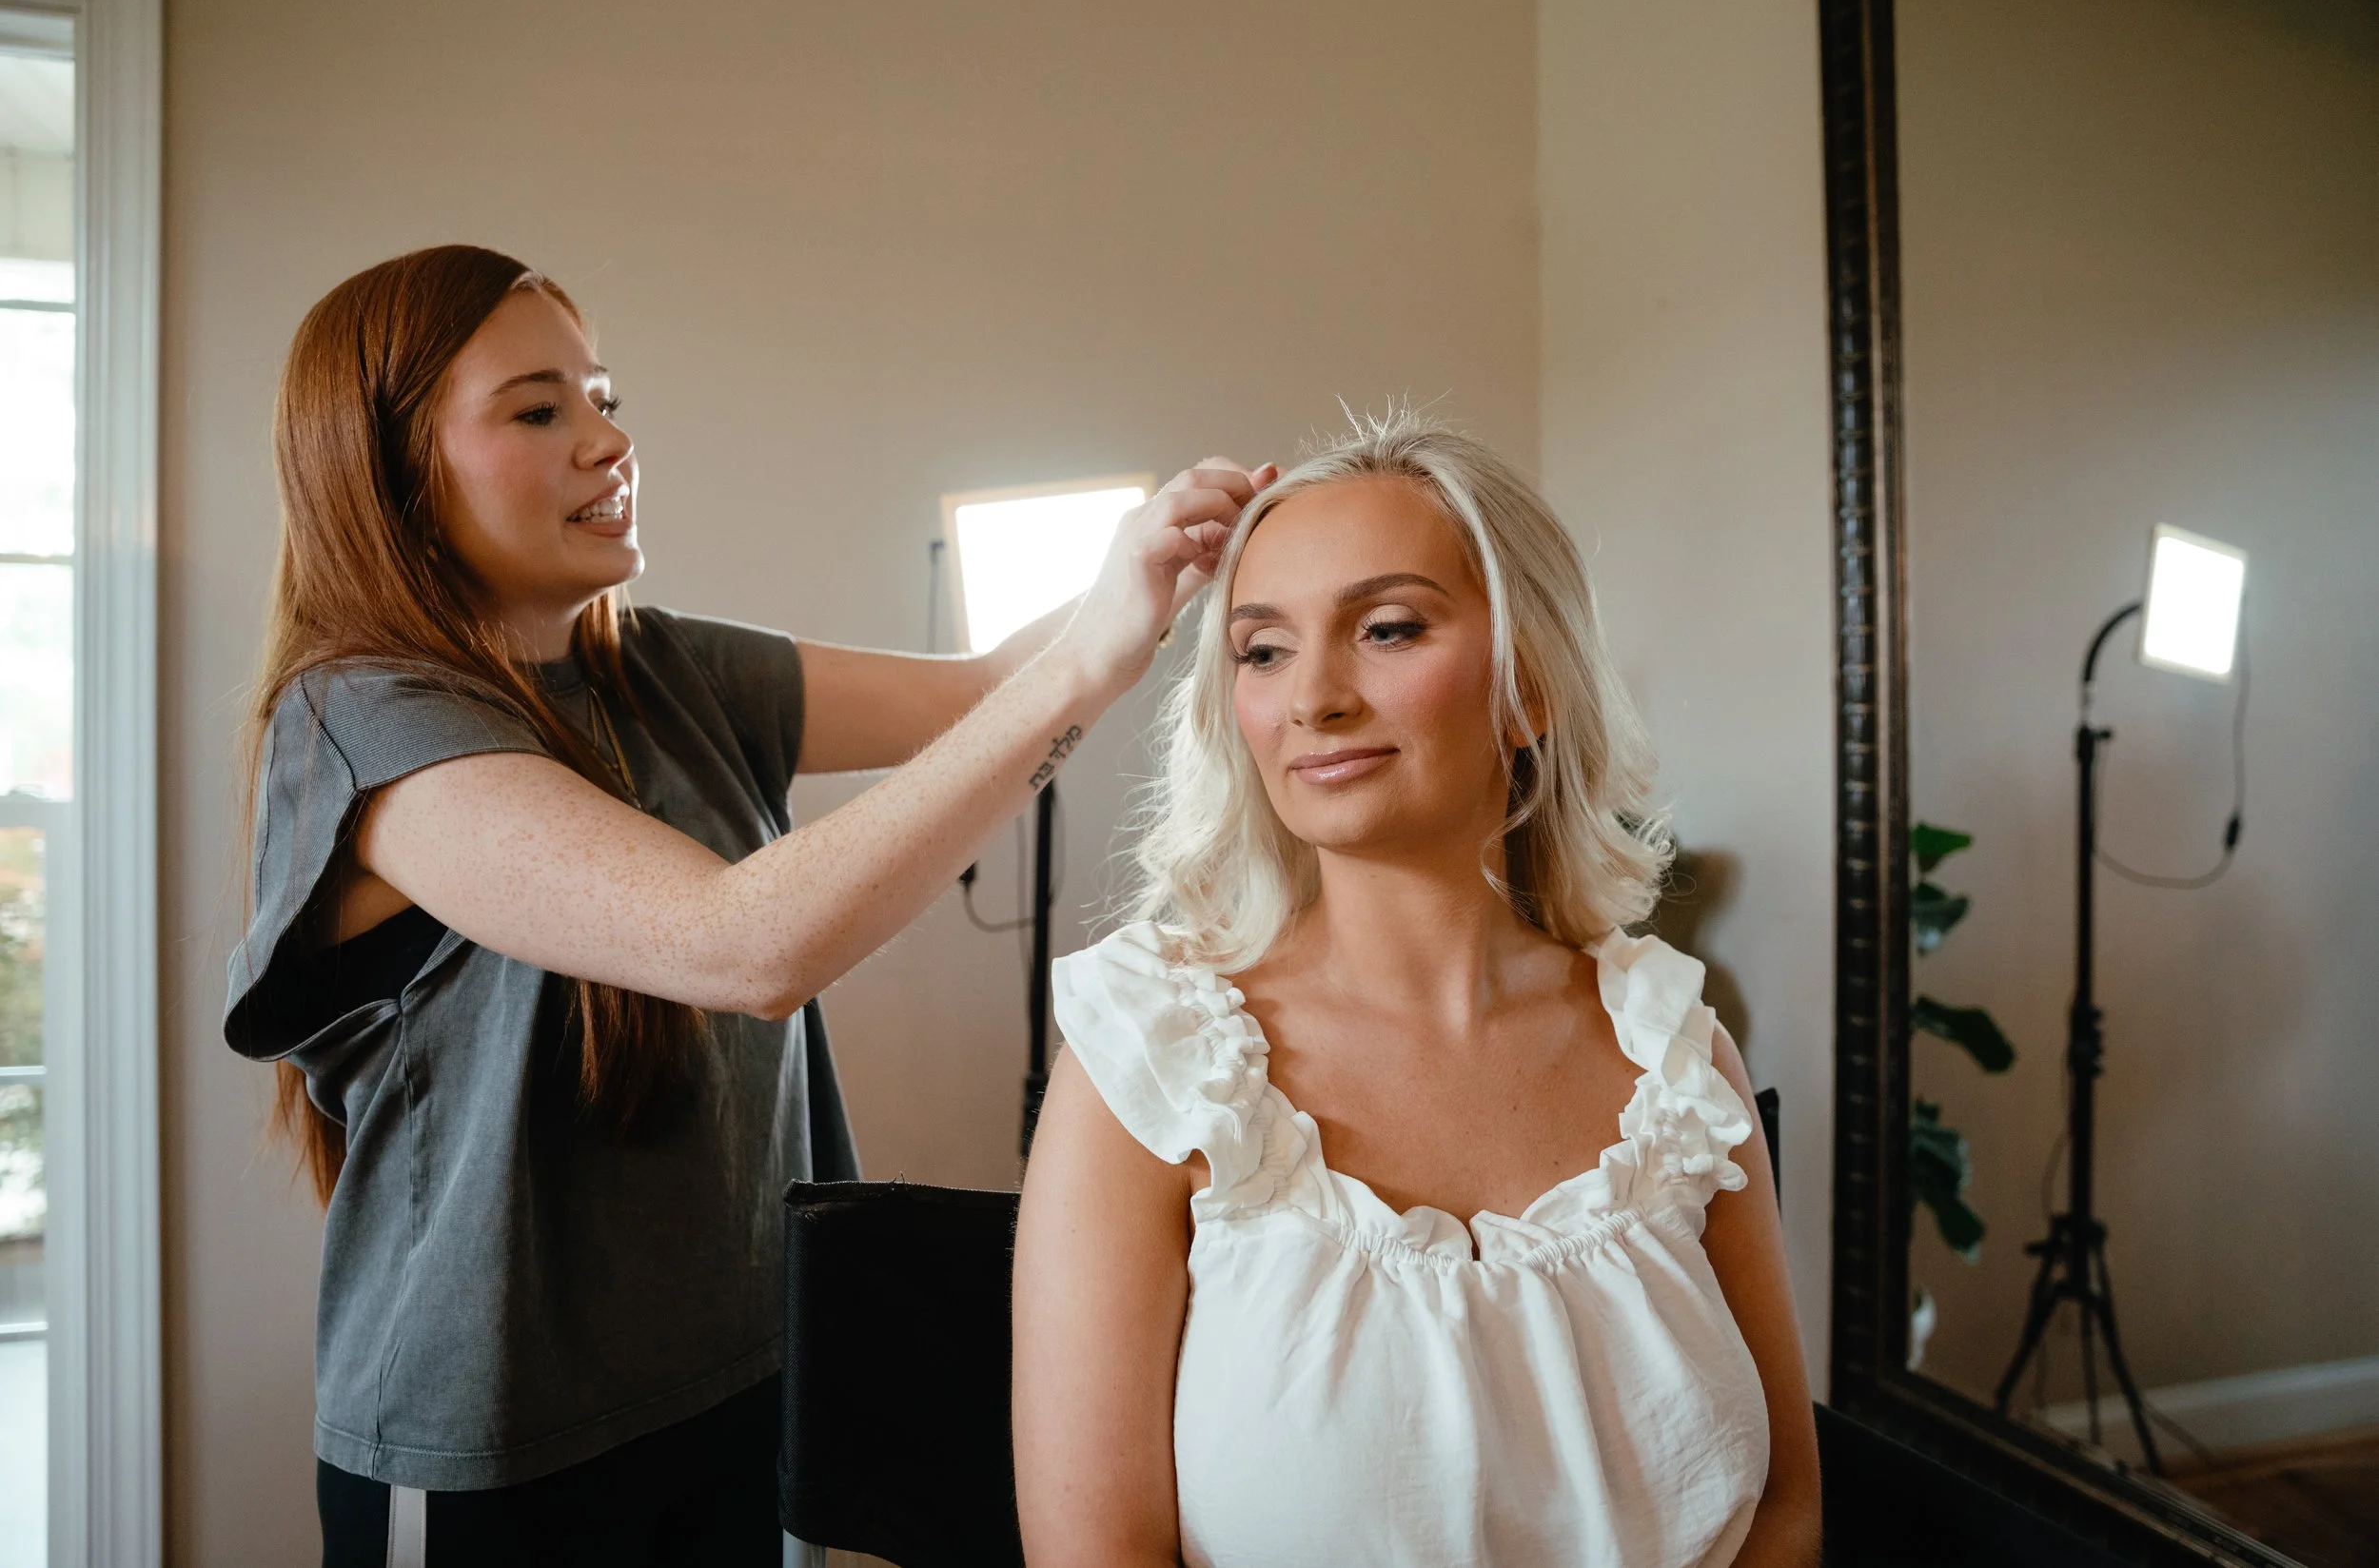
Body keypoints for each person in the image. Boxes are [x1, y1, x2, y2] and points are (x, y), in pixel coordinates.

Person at [223, 243, 1271, 1566]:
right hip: (500, 1446)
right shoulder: (362, 718)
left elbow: (977, 694)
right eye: (539, 408)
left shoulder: (664, 667)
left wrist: (1161, 565)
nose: (609, 439)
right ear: (390, 472)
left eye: (604, 397)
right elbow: (741, 941)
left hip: (749, 1380)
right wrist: (1083, 663)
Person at [1013, 413, 1822, 1567]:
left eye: (1387, 628)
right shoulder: (1149, 1067)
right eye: (1262, 649)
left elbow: (1786, 1505)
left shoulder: (1679, 1064)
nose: (1314, 699)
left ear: (1531, 684)